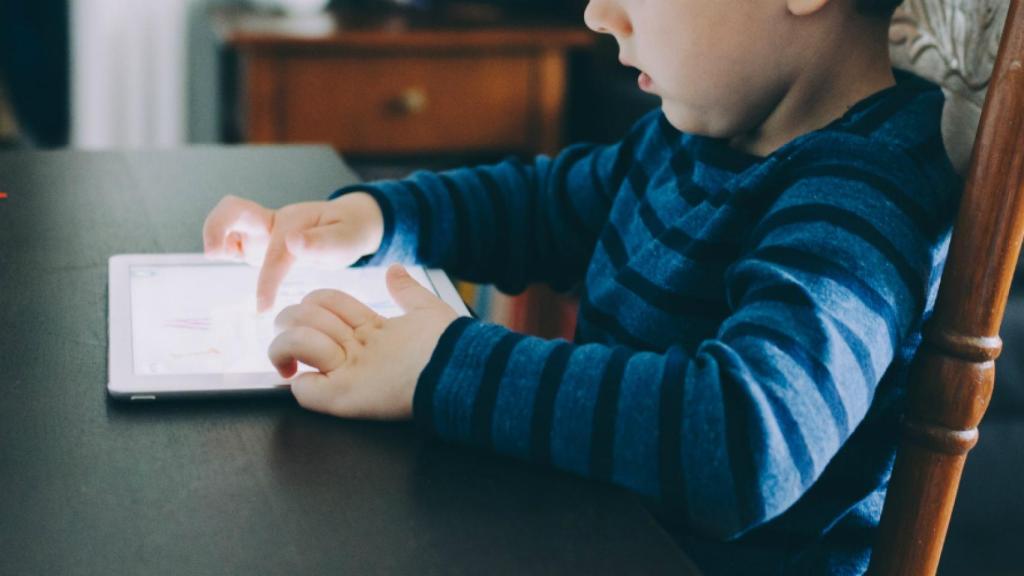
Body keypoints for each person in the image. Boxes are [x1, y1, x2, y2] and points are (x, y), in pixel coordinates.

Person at [202, 0, 961, 572]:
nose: (599, 13)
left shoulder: (867, 193)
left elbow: (746, 439)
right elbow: (541, 206)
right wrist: (375, 219)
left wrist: (445, 363)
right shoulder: (694, 137)